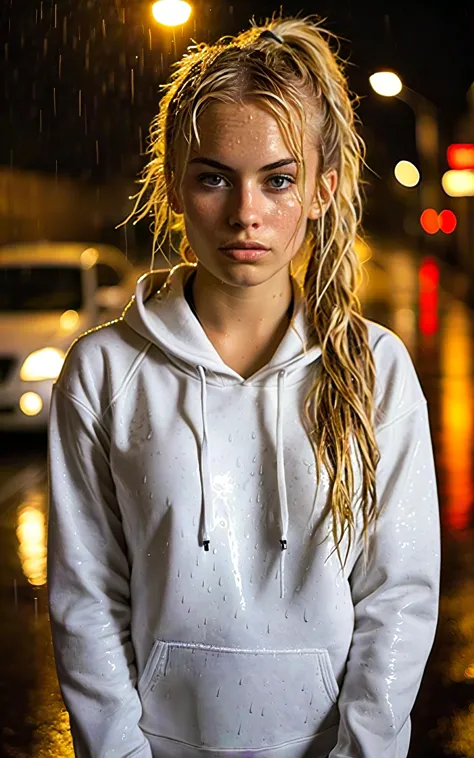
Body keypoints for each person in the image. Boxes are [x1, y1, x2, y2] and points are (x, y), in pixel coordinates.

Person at [47, 14, 440, 758]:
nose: (245, 213)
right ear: (174, 186)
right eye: (214, 177)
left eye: (278, 179)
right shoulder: (101, 373)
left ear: (322, 190)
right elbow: (86, 602)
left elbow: (400, 599)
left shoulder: (376, 368)